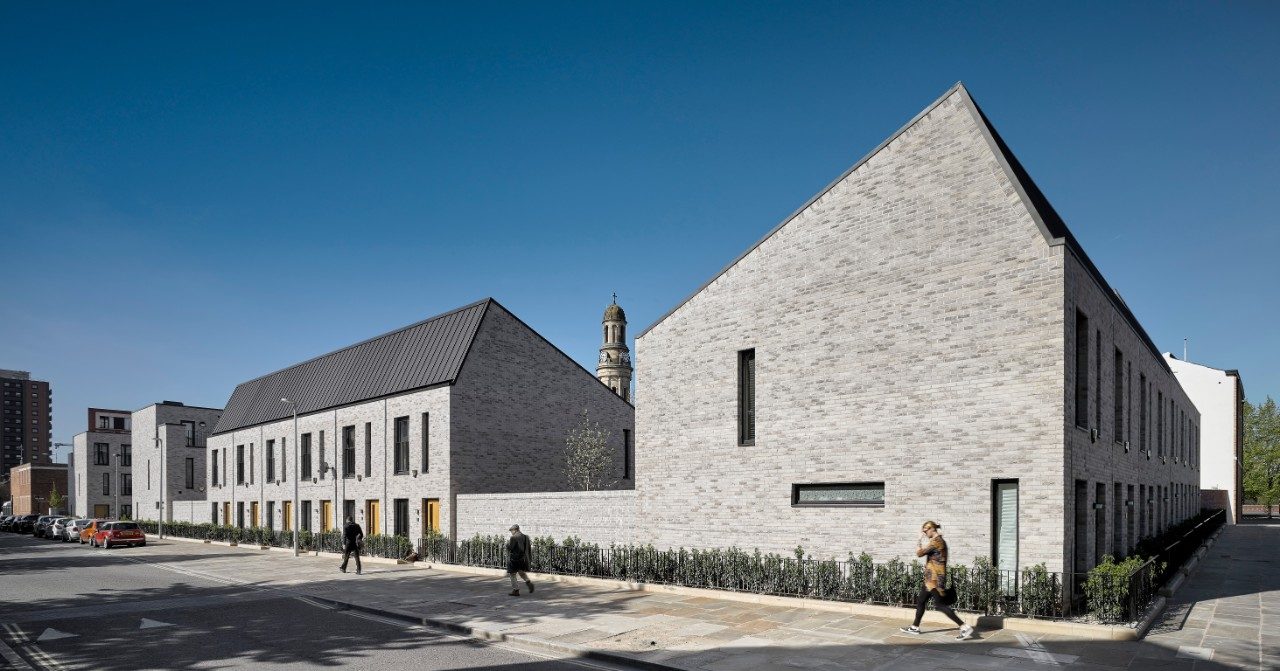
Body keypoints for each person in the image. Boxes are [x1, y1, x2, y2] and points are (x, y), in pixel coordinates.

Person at [899, 520, 974, 640]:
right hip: (930, 579)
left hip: (935, 580)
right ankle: (915, 627)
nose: (924, 533)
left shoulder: (936, 542)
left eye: (925, 531)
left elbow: (919, 553)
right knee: (921, 601)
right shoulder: (938, 541)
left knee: (940, 605)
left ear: (931, 529)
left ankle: (964, 627)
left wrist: (918, 539)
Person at [506, 524, 534, 596]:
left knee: (512, 574)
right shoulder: (525, 537)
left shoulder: (513, 537)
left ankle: (516, 590)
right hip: (523, 559)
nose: (511, 532)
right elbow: (528, 548)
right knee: (521, 572)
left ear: (515, 530)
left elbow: (510, 548)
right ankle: (528, 582)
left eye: (511, 530)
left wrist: (507, 545)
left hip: (514, 559)